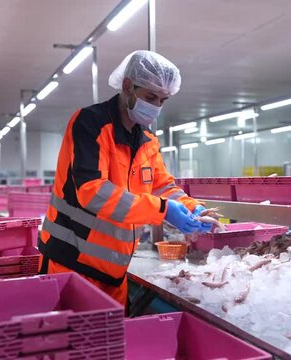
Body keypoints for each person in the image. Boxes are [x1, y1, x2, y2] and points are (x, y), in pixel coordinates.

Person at [39, 50, 212, 307]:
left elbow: (162, 185)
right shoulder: (90, 124)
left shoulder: (147, 140)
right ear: (128, 86)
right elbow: (92, 191)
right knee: (73, 343)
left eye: (163, 100)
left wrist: (191, 208)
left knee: (111, 344)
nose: (156, 106)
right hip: (71, 263)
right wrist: (163, 210)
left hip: (114, 270)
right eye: (150, 97)